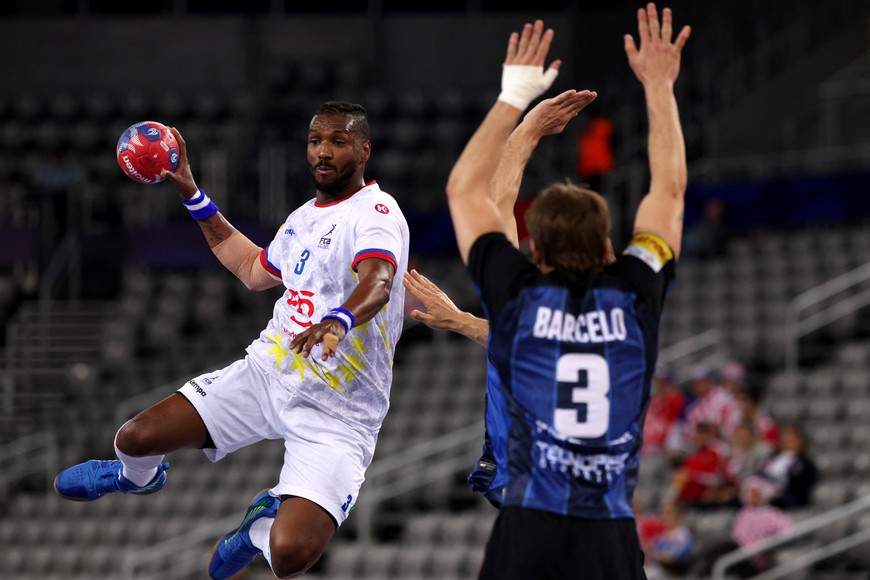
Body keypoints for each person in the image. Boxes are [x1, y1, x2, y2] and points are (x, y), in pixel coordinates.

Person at [53, 101, 410, 579]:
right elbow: (250, 268)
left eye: (338, 142)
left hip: (341, 413)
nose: (323, 152)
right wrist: (191, 192)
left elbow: (380, 281)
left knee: (289, 558)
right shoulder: (303, 218)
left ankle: (256, 528)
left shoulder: (377, 212)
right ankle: (134, 479)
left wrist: (339, 320)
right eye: (315, 141)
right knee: (134, 439)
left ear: (364, 150)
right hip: (268, 374)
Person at [440, 4, 691, 578]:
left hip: (530, 524)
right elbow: (670, 188)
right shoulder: (635, 293)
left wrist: (517, 105)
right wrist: (660, 84)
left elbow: (465, 192)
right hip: (608, 531)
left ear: (536, 253)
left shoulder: (520, 295)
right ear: (610, 249)